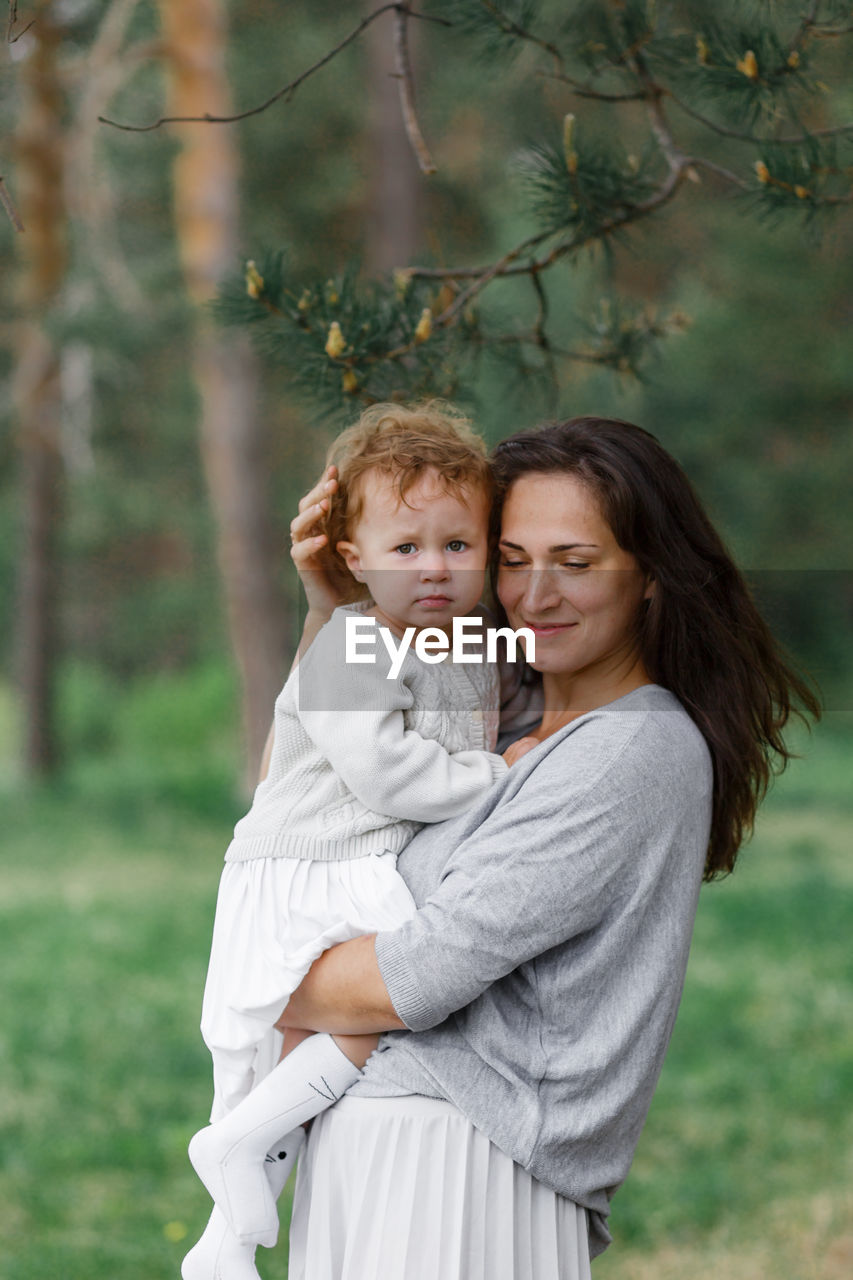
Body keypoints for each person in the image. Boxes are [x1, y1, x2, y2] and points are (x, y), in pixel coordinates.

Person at [275, 414, 819, 1279]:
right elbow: (294, 812)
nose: (533, 596)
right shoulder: (492, 712)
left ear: (649, 574)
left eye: (575, 562)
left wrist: (255, 973)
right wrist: (336, 611)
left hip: (456, 1179)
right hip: (384, 1158)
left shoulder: (629, 751)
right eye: (514, 560)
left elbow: (414, 977)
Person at [183, 403, 520, 1280]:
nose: (435, 569)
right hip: (310, 861)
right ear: (353, 558)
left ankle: (225, 1243)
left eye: (458, 545)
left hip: (344, 858)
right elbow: (383, 770)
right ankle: (235, 1146)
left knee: (289, 1061)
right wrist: (499, 779)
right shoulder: (355, 639)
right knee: (381, 1006)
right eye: (405, 549)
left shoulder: (461, 640)